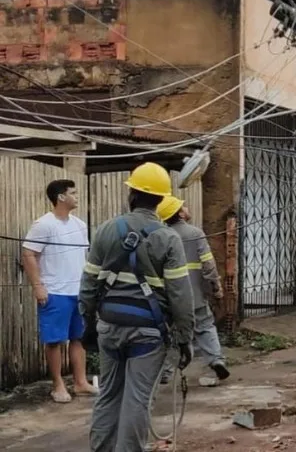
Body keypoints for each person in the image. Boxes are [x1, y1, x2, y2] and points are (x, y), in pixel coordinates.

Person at [79, 162, 195, 451]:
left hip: (109, 326)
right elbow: (180, 295)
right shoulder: (168, 239)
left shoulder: (106, 230)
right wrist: (184, 338)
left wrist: (88, 325)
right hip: (148, 333)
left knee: (108, 395)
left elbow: (89, 284)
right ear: (161, 199)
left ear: (131, 193)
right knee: (137, 399)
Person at [22, 179, 98, 404]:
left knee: (79, 338)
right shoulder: (43, 224)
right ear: (61, 197)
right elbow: (28, 254)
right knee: (54, 340)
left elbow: (84, 256)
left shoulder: (80, 224)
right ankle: (58, 385)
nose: (77, 196)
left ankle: (81, 382)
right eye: (73, 193)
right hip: (55, 291)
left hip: (78, 290)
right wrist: (38, 285)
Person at [157, 196, 229, 384]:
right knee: (204, 326)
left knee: (170, 332)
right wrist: (216, 288)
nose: (187, 208)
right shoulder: (195, 233)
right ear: (180, 213)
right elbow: (208, 264)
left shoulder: (161, 236)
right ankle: (216, 360)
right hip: (195, 294)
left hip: (171, 296)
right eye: (184, 206)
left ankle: (165, 372)